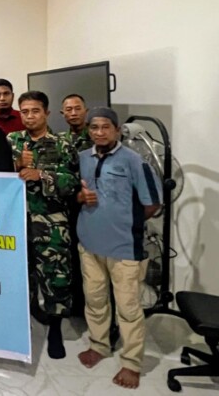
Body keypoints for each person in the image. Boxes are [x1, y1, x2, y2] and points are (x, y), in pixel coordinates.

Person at [76, 107, 161, 389]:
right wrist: (80, 197)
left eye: (105, 127)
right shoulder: (82, 158)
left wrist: (124, 223)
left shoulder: (134, 161)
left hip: (124, 248)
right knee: (95, 299)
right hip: (89, 244)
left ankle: (131, 363)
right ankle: (99, 345)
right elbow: (77, 193)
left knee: (128, 307)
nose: (99, 133)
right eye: (94, 128)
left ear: (116, 129)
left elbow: (152, 204)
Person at [8, 91, 78, 359]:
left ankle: (55, 330)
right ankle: (23, 321)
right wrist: (17, 164)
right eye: (24, 112)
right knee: (20, 273)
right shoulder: (12, 140)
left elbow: (72, 182)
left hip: (52, 222)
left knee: (55, 275)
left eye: (35, 111)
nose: (29, 116)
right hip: (17, 220)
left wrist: (42, 174)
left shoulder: (63, 144)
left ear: (46, 113)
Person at [58, 93, 92, 317]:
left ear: (85, 111)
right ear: (62, 114)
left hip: (92, 205)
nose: (73, 113)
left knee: (92, 259)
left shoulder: (97, 135)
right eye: (68, 109)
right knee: (71, 256)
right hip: (67, 205)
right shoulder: (60, 139)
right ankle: (77, 304)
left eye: (77, 108)